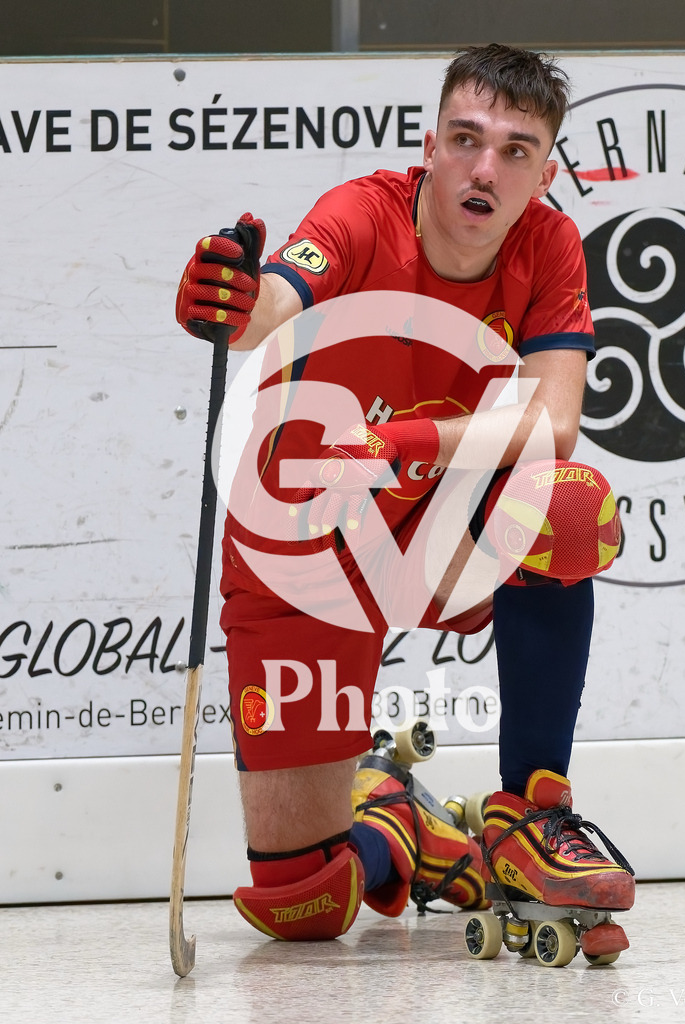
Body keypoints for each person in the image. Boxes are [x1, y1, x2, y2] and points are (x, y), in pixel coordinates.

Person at [175, 44, 635, 945]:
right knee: (301, 907)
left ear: (546, 169)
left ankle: (531, 811)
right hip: (299, 548)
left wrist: (401, 445)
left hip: (425, 524)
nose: (483, 167)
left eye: (514, 149)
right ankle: (402, 825)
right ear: (429, 144)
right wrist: (232, 302)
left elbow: (555, 421)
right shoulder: (360, 214)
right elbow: (277, 296)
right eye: (465, 139)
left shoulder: (549, 243)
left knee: (568, 504)